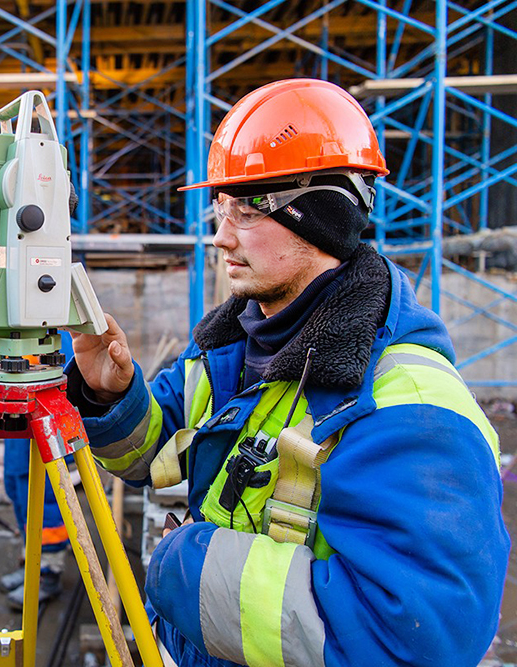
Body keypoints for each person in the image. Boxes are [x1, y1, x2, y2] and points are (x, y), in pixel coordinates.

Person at [67, 79, 509, 666]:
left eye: (248, 209)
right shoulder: (229, 346)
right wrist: (112, 392)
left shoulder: (411, 408)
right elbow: (154, 453)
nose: (221, 235)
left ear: (321, 217)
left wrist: (188, 566)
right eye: (221, 207)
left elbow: (417, 640)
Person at [0, 331, 74, 609]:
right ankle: (30, 560)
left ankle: (48, 572)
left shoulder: (56, 323)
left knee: (44, 497)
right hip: (18, 412)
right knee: (17, 486)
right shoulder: (14, 321)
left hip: (45, 415)